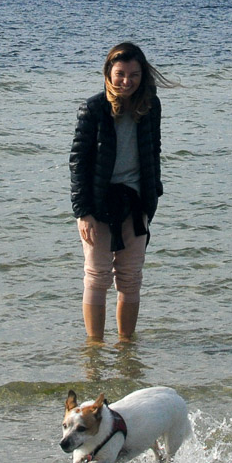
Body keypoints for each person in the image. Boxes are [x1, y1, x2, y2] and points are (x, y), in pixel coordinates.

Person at [70, 42, 169, 343]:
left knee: (130, 278)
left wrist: (152, 198)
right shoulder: (93, 109)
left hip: (136, 203)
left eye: (134, 75)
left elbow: (154, 152)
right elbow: (78, 162)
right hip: (98, 203)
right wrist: (82, 212)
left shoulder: (150, 107)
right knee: (97, 276)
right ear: (108, 74)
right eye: (120, 74)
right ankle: (95, 349)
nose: (127, 81)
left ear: (143, 75)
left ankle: (127, 349)